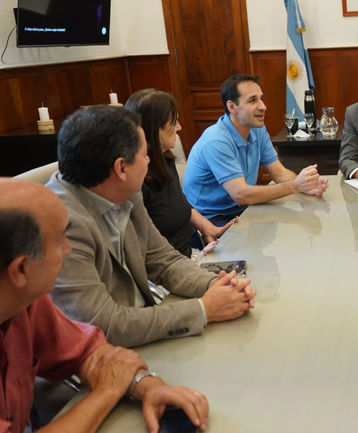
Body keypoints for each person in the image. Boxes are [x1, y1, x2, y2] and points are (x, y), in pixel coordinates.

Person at [0, 178, 210, 433]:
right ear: (20, 269)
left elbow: (87, 351)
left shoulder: (27, 302)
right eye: (58, 241)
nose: (68, 250)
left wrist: (146, 385)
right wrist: (107, 392)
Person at [46, 106, 256, 348]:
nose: (149, 160)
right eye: (145, 154)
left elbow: (163, 260)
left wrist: (218, 286)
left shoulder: (124, 191)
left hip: (143, 332)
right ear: (121, 168)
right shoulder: (61, 224)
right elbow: (102, 325)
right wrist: (205, 309)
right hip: (101, 356)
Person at [183, 74, 328, 225]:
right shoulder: (216, 140)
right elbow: (241, 195)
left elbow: (279, 173)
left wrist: (306, 186)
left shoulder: (256, 129)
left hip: (243, 211)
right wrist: (295, 185)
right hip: (210, 219)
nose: (263, 106)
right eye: (253, 100)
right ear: (232, 107)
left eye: (261, 99)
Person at [125, 89, 237, 257]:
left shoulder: (166, 161)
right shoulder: (136, 181)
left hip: (187, 256)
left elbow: (178, 204)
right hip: (167, 268)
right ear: (155, 130)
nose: (179, 127)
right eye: (173, 123)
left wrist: (208, 227)